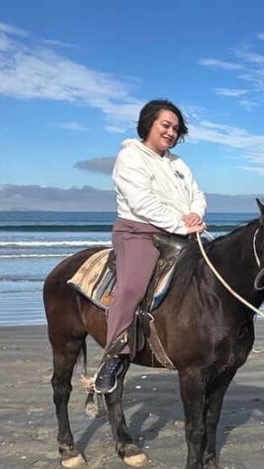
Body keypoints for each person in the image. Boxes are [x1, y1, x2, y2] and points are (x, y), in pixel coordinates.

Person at [94, 99, 207, 393]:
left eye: (176, 129)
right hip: (140, 233)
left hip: (183, 233)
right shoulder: (130, 157)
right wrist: (182, 224)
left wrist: (196, 213)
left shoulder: (178, 164)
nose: (171, 133)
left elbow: (198, 194)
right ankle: (115, 354)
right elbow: (141, 202)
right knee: (131, 287)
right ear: (149, 124)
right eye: (165, 125)